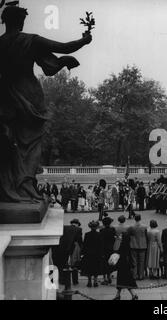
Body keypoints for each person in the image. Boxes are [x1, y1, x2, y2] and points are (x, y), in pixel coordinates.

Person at [0, 5, 92, 202]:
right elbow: (64, 47)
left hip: (5, 96)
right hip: (29, 95)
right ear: (21, 21)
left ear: (4, 21)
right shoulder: (31, 40)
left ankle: (10, 187)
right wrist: (85, 40)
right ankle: (24, 184)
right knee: (31, 143)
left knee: (9, 141)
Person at [113, 231, 139, 300]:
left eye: (121, 236)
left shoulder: (123, 245)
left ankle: (133, 295)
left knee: (123, 281)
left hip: (123, 265)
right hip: (126, 265)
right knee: (125, 281)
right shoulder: (127, 244)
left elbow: (119, 253)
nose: (120, 237)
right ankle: (119, 295)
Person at [81, 221, 102, 288]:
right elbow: (101, 245)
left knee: (89, 268)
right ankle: (95, 281)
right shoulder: (99, 234)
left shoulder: (87, 234)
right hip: (97, 254)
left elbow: (84, 245)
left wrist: (82, 253)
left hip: (88, 254)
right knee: (96, 267)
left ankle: (89, 281)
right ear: (96, 227)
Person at [127, 214, 148, 280]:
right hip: (142, 245)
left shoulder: (131, 227)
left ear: (134, 219)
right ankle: (141, 275)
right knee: (142, 261)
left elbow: (128, 235)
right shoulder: (144, 227)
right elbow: (146, 236)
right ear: (140, 219)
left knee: (134, 261)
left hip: (133, 245)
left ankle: (134, 275)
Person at [100, 217, 116, 285]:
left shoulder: (102, 231)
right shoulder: (112, 229)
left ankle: (105, 278)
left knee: (104, 263)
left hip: (104, 248)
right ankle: (109, 276)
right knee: (110, 263)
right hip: (111, 248)